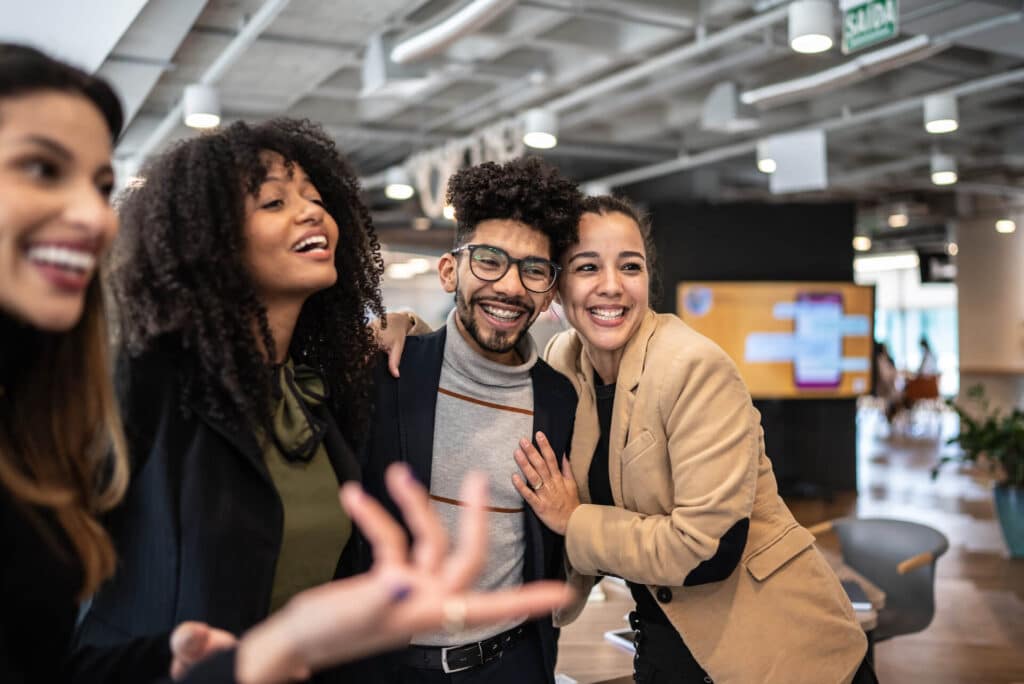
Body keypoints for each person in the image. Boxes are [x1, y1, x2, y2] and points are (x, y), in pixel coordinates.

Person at [0, 43, 569, 684]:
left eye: (315, 196)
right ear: (208, 237)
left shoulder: (315, 396)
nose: (312, 211)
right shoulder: (141, 383)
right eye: (274, 202)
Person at [510, 196, 878, 683]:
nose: (612, 286)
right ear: (557, 287)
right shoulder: (564, 358)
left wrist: (574, 521)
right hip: (668, 642)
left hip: (781, 650)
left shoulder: (693, 368)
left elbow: (704, 550)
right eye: (587, 266)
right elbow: (486, 375)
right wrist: (404, 331)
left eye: (630, 266)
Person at [360, 157, 583, 683]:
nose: (509, 286)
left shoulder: (559, 401)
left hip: (511, 664)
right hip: (386, 664)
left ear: (549, 292)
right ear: (448, 271)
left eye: (532, 270)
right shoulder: (388, 372)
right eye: (488, 260)